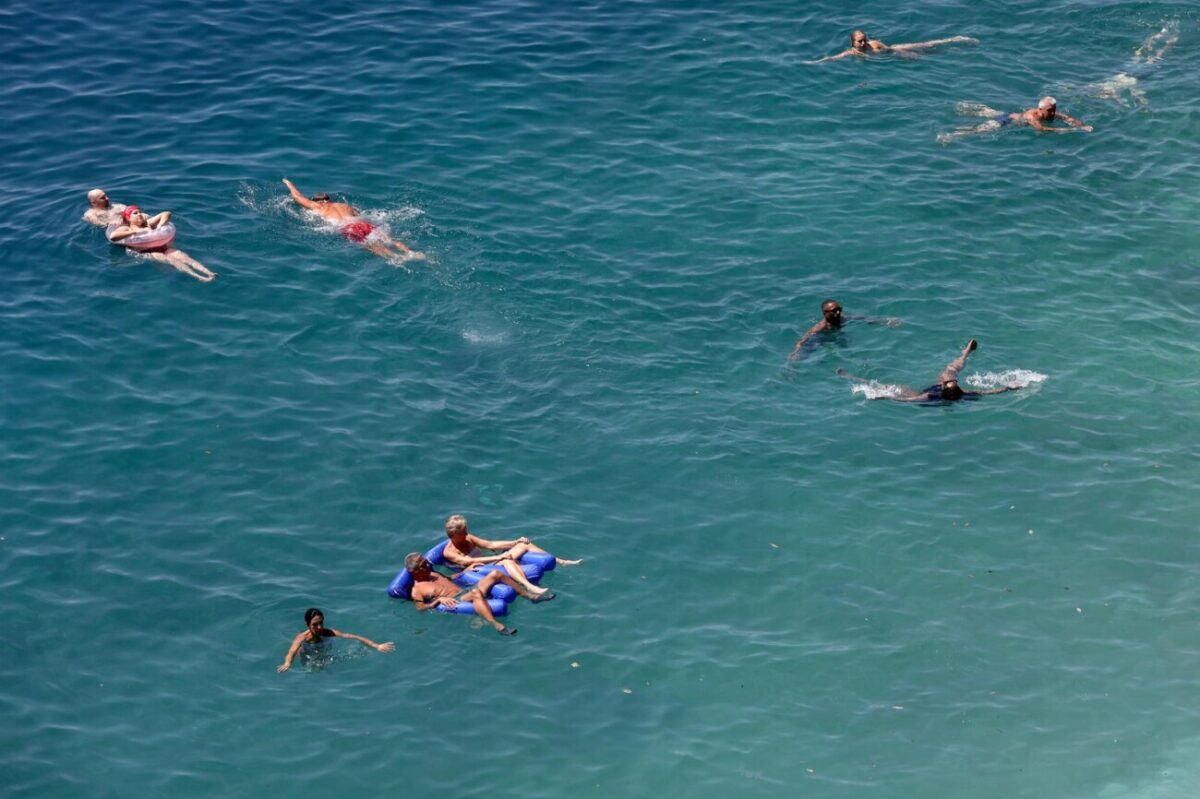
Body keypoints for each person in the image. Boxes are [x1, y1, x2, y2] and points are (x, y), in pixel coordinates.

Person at [405, 552, 555, 636]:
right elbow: (420, 608)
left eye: (425, 561)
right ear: (415, 571)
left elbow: (449, 579)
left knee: (495, 573)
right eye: (423, 563)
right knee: (476, 593)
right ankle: (498, 626)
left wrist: (467, 570)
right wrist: (437, 601)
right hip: (458, 600)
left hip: (464, 591)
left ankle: (530, 596)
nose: (427, 564)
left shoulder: (432, 573)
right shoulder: (417, 589)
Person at [836, 339, 1024, 403]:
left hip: (923, 395)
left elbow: (904, 400)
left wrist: (881, 397)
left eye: (947, 382)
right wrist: (1009, 387)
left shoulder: (928, 397)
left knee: (890, 388)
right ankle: (966, 353)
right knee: (951, 370)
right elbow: (990, 392)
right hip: (945, 395)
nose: (949, 381)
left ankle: (851, 376)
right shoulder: (963, 394)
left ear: (942, 387)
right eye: (953, 382)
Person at [281, 178, 424, 262]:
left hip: (348, 228)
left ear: (319, 201)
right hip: (362, 222)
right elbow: (360, 214)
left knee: (369, 244)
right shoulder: (345, 205)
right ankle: (411, 253)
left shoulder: (318, 206)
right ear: (329, 199)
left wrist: (288, 183)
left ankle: (395, 258)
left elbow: (297, 197)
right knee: (389, 239)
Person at [106, 205, 217, 282]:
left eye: (140, 211)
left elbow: (166, 213)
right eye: (136, 213)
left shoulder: (148, 224)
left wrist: (159, 227)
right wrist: (134, 231)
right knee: (171, 260)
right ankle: (198, 277)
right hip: (147, 251)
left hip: (163, 247)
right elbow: (113, 236)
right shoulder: (126, 228)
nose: (140, 214)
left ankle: (209, 272)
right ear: (128, 218)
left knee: (181, 255)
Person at [442, 514, 582, 573]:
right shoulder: (449, 552)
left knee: (524, 544)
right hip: (478, 569)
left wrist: (515, 542)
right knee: (507, 560)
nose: (467, 533)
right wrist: (498, 558)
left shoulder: (468, 537)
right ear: (454, 535)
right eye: (463, 531)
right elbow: (470, 562)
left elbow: (490, 545)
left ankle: (561, 561)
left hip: (492, 562)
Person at [277, 607, 394, 672]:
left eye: (321, 622)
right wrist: (287, 663)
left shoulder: (328, 632)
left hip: (322, 646)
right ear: (308, 624)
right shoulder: (302, 637)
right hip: (306, 649)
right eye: (315, 624)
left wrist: (376, 646)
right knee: (310, 668)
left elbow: (354, 636)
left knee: (324, 662)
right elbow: (291, 651)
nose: (319, 627)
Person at [939, 97, 1092, 143]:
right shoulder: (1033, 116)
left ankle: (978, 109)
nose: (1053, 113)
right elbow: (1042, 129)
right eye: (1050, 110)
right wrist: (1072, 130)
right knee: (980, 130)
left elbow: (1068, 117)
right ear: (1040, 109)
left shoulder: (1051, 113)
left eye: (1054, 109)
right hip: (1006, 121)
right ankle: (952, 135)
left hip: (1013, 114)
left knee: (988, 115)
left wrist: (1081, 125)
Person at [789, 299, 901, 361]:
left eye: (839, 309)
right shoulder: (820, 327)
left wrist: (885, 322)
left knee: (846, 350)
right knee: (803, 357)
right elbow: (804, 338)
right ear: (825, 313)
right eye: (834, 310)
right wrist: (796, 351)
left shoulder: (843, 319)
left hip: (836, 335)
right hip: (821, 338)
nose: (838, 312)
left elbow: (864, 319)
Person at [808, 30, 977, 63]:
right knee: (928, 56)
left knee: (928, 45)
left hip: (896, 49)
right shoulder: (852, 53)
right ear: (852, 42)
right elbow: (833, 57)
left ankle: (955, 39)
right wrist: (816, 62)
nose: (862, 42)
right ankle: (955, 49)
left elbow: (888, 49)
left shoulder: (873, 44)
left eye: (863, 39)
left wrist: (900, 53)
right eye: (859, 40)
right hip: (894, 55)